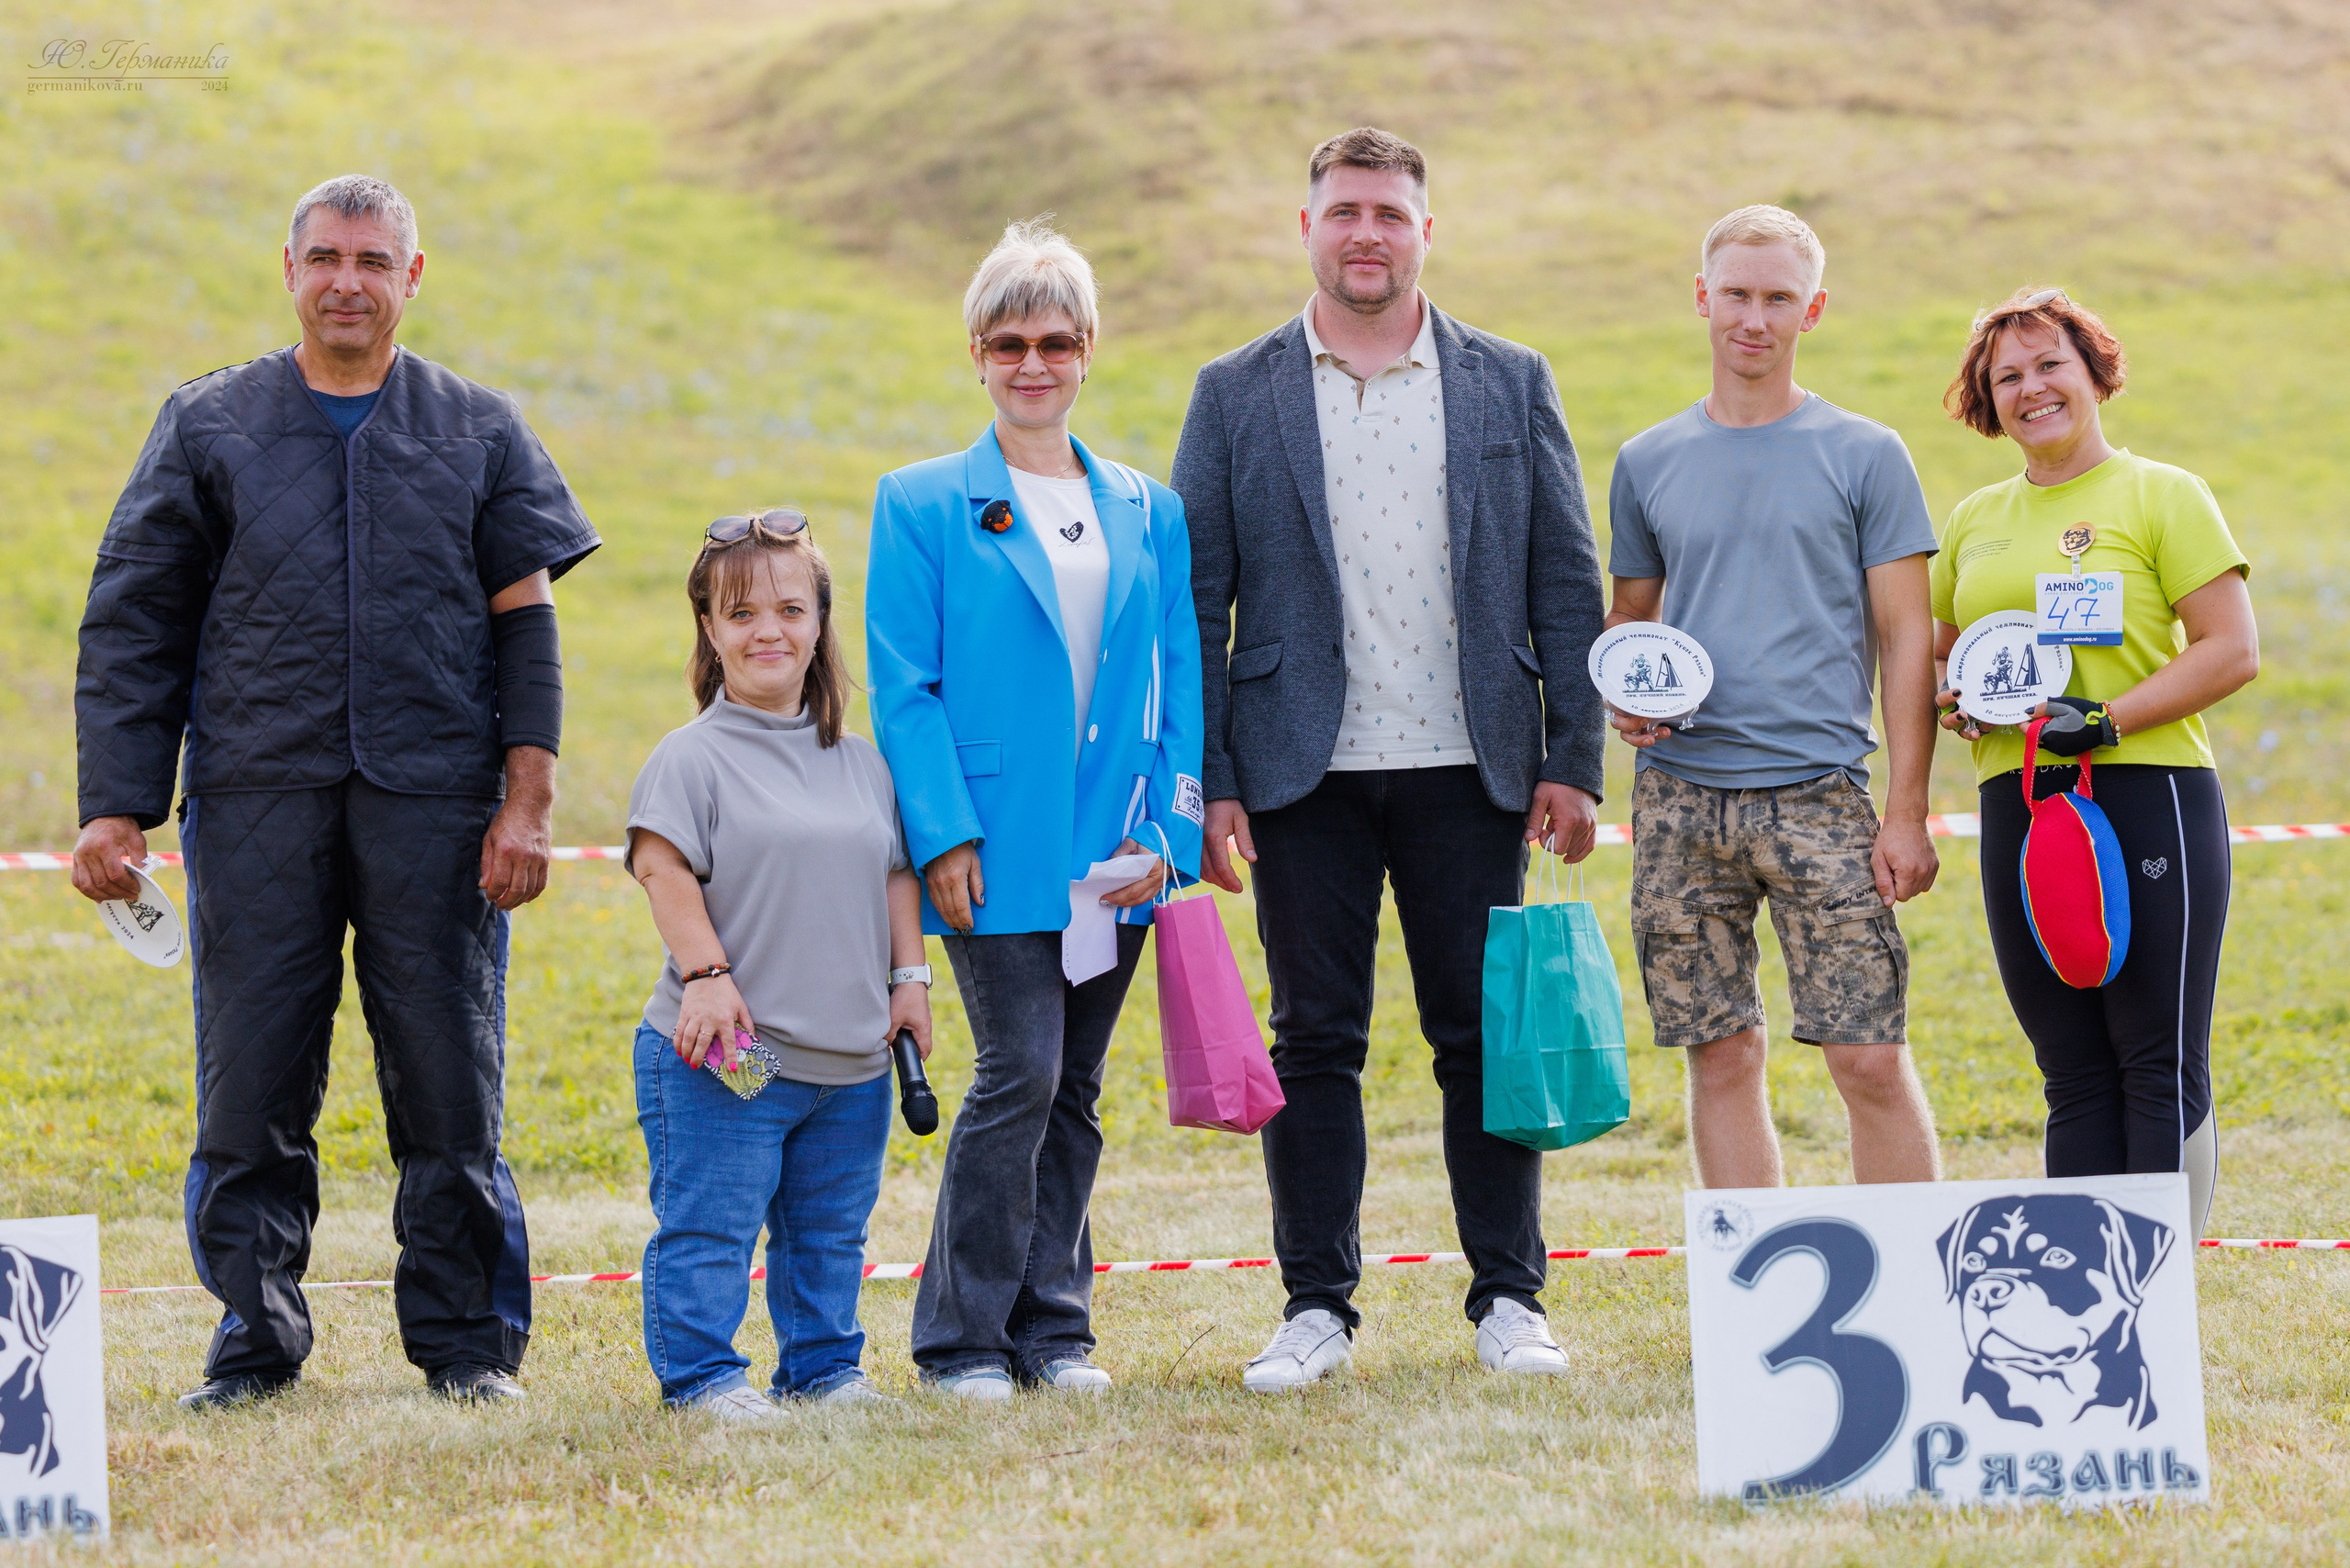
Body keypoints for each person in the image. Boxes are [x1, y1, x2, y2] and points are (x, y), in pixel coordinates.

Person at [71, 175, 598, 1408]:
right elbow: (133, 627)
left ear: (414, 276)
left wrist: (527, 801)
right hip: (256, 798)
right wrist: (117, 807)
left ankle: (468, 1348)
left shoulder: (480, 429)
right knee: (250, 1085)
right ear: (290, 269)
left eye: (372, 259)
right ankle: (254, 1345)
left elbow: (530, 628)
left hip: (437, 803)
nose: (346, 280)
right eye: (325, 258)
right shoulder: (208, 426)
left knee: (450, 1083)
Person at [1172, 128, 1606, 1393]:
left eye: (1391, 212)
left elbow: (1566, 582)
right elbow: (1203, 597)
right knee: (1314, 1041)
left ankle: (1510, 1297)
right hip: (1298, 770)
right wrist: (1214, 778)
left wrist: (1570, 755)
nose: (1368, 232)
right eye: (1345, 209)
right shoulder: (1235, 389)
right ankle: (1316, 1304)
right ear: (1306, 226)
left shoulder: (1508, 381)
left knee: (1482, 1036)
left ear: (1428, 230)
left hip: (1470, 762)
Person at [866, 218, 1203, 1400]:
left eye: (1055, 341)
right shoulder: (918, 505)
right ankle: (959, 1338)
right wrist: (942, 829)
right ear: (975, 352)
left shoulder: (1147, 508)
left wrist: (1170, 830)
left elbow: (1175, 680)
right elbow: (904, 686)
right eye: (1007, 342)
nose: (1031, 364)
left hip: (1112, 852)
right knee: (1019, 1073)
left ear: (1088, 349)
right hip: (993, 848)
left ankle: (1053, 1330)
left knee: (1076, 1091)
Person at [1605, 205, 1942, 1193]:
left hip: (1820, 793)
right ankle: (1755, 1302)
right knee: (1720, 1054)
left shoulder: (1866, 453)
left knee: (1868, 1057)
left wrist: (1905, 810)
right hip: (1677, 800)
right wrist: (1629, 695)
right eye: (1738, 294)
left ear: (1813, 309)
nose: (1754, 318)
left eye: (1779, 298)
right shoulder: (1648, 459)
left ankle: (1913, 1287)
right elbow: (1631, 621)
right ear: (1703, 297)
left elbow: (1904, 638)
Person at [1933, 287, 2255, 1238]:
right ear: (1987, 403)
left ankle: (2153, 1294)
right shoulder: (1971, 519)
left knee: (2153, 1058)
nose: (2031, 388)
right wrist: (1955, 701)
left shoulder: (2162, 493)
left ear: (2093, 372)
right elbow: (1946, 657)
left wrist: (2103, 720)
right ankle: (2085, 1297)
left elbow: (2228, 649)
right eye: (2007, 377)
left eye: (2049, 365)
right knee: (2070, 1066)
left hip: (2148, 791)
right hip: (2021, 802)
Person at [624, 514, 928, 1419]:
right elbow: (658, 864)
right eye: (743, 612)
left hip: (851, 1065)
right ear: (710, 632)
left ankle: (824, 1371)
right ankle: (704, 1380)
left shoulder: (862, 763)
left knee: (828, 1235)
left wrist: (909, 984)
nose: (769, 630)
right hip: (738, 1057)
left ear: (819, 625)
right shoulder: (691, 759)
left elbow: (894, 873)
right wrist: (709, 976)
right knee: (713, 1225)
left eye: (791, 609)